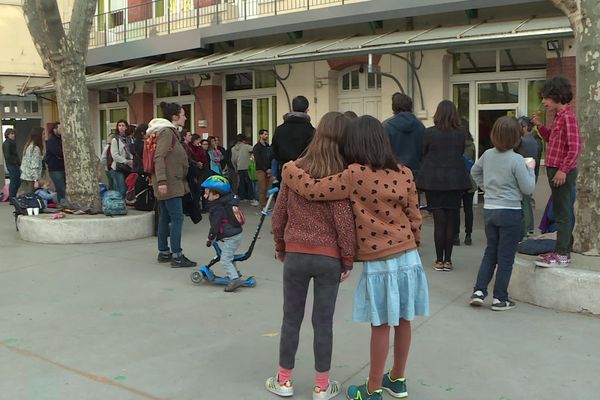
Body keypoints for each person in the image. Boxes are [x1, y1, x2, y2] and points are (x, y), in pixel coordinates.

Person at [283, 115, 429, 400]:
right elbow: (415, 217)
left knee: (381, 324)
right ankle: (397, 379)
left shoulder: (354, 174)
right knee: (404, 319)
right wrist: (411, 244)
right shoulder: (404, 172)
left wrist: (290, 170)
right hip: (409, 257)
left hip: (380, 260)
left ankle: (372, 388)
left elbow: (314, 190)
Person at [266, 112, 356, 400]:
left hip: (296, 253)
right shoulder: (342, 176)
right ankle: (321, 385)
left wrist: (280, 245)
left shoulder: (293, 171)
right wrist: (348, 258)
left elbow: (279, 215)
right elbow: (344, 223)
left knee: (291, 318)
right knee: (323, 322)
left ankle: (284, 380)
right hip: (329, 257)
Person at [469, 116, 536, 311]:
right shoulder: (517, 160)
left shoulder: (488, 154)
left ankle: (479, 291)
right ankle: (500, 298)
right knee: (505, 256)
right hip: (510, 211)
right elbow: (528, 188)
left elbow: (474, 171)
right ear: (516, 137)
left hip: (490, 209)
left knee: (490, 251)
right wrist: (530, 169)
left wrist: (487, 189)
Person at [532, 77, 582, 268]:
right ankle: (562, 250)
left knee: (562, 213)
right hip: (556, 170)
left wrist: (563, 170)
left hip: (562, 172)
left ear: (557, 96)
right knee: (561, 211)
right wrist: (539, 125)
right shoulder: (559, 117)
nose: (543, 101)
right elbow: (552, 139)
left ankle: (562, 254)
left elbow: (575, 147)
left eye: (546, 97)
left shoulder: (568, 117)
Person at [416, 100, 471, 271]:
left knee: (439, 223)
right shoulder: (461, 133)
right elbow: (461, 152)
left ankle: (439, 260)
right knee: (451, 221)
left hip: (434, 182)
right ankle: (448, 260)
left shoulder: (429, 133)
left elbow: (423, 153)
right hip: (455, 181)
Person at [149, 101, 196, 268]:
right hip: (169, 183)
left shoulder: (168, 132)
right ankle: (177, 255)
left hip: (169, 181)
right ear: (175, 117)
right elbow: (159, 157)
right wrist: (162, 180)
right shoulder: (166, 132)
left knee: (165, 217)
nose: (185, 117)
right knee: (177, 218)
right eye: (183, 114)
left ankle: (164, 252)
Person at [201, 175, 247, 292]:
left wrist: (210, 238)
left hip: (231, 237)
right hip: (235, 235)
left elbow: (215, 226)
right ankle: (235, 274)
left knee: (225, 259)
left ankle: (234, 279)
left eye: (207, 194)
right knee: (229, 257)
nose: (204, 196)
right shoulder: (227, 201)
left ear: (216, 195)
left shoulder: (217, 208)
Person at [272, 95, 315, 179]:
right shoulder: (311, 131)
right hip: (304, 174)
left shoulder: (279, 130)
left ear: (292, 108)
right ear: (307, 110)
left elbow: (274, 153)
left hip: (285, 172)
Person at [383, 93, 425, 177]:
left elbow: (384, 154)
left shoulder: (387, 127)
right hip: (416, 174)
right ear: (410, 107)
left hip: (394, 174)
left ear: (393, 107)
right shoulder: (421, 126)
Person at [517, 116, 542, 239]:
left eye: (519, 127)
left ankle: (526, 229)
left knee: (525, 203)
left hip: (525, 175)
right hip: (532, 174)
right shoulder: (536, 140)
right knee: (527, 202)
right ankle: (530, 227)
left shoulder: (525, 142)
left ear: (525, 127)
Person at [453, 129, 477, 246]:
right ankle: (468, 236)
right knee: (468, 210)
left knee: (456, 210)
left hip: (457, 181)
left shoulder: (454, 145)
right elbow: (473, 163)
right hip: (470, 182)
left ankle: (456, 236)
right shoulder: (472, 146)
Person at [231, 134, 257, 205]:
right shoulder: (246, 147)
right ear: (244, 140)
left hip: (239, 167)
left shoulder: (233, 148)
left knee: (241, 183)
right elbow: (255, 149)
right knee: (249, 183)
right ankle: (252, 198)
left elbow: (233, 160)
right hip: (247, 167)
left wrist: (235, 168)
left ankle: (241, 197)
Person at [110, 119, 133, 199]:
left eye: (123, 126)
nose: (121, 127)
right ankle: (118, 205)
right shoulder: (115, 140)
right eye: (119, 126)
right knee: (121, 189)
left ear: (126, 127)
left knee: (127, 188)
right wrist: (126, 161)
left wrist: (132, 161)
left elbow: (131, 152)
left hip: (128, 168)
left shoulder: (130, 139)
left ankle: (123, 205)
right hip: (118, 168)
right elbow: (115, 155)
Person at [18, 127, 45, 195]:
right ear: (38, 135)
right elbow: (34, 165)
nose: (45, 136)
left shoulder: (28, 145)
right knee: (30, 198)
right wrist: (36, 180)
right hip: (31, 178)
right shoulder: (35, 148)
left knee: (26, 197)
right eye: (43, 134)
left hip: (25, 175)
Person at [45, 122, 66, 202]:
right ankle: (62, 202)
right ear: (55, 130)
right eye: (60, 128)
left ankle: (61, 202)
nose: (62, 130)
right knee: (61, 187)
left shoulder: (62, 139)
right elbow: (58, 153)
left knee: (62, 187)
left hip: (63, 167)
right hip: (55, 168)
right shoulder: (51, 141)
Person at [253, 129, 273, 209]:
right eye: (265, 134)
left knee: (267, 188)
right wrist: (266, 168)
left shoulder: (268, 146)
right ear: (260, 135)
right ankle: (263, 206)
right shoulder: (257, 147)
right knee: (262, 188)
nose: (266, 136)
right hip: (261, 169)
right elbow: (258, 159)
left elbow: (270, 157)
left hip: (268, 169)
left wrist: (270, 168)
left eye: (267, 134)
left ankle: (266, 205)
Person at [3, 128, 21, 198]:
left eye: (14, 134)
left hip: (14, 164)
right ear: (7, 135)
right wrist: (16, 162)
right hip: (12, 165)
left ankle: (13, 197)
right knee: (14, 182)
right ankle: (12, 197)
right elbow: (8, 156)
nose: (14, 135)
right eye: (12, 134)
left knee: (17, 181)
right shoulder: (7, 143)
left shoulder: (12, 142)